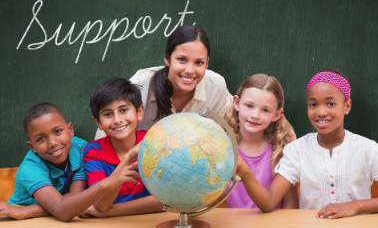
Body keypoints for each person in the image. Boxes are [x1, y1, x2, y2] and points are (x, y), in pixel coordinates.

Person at [237, 68, 378, 218]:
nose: (321, 112)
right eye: (313, 104)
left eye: (330, 104)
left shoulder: (367, 149)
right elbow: (269, 201)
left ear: (347, 106)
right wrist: (245, 172)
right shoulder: (297, 150)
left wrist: (356, 205)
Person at [0, 102, 139, 221]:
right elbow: (62, 211)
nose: (53, 143)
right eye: (40, 139)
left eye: (58, 131)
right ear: (32, 147)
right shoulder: (29, 168)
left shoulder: (82, 150)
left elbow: (76, 197)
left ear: (70, 130)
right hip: (20, 220)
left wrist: (31, 211)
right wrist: (25, 211)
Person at [95, 25, 232, 139]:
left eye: (199, 62)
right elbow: (106, 136)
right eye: (182, 59)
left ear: (207, 63)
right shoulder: (139, 87)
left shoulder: (216, 86)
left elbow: (231, 131)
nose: (190, 70)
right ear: (167, 58)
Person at [80, 77, 163, 218]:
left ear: (139, 112)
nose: (117, 120)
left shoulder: (154, 141)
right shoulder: (94, 152)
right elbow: (101, 204)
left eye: (123, 110)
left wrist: (108, 213)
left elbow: (162, 201)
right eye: (107, 114)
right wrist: (128, 157)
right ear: (98, 122)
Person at [223, 74, 299, 209]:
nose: (255, 116)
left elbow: (290, 205)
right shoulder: (221, 145)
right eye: (249, 106)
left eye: (265, 110)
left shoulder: (282, 148)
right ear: (236, 103)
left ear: (277, 114)